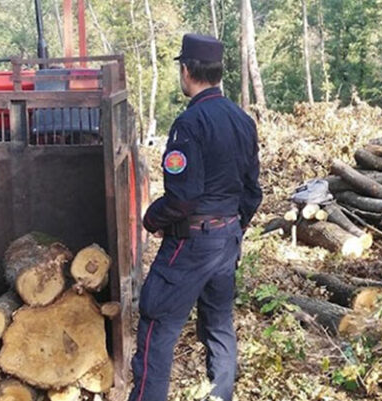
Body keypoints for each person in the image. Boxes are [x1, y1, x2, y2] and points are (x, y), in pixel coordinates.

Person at [129, 33, 262, 401]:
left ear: (186, 71)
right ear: (218, 73)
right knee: (219, 327)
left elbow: (182, 199)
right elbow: (252, 191)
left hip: (192, 244)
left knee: (157, 324)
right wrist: (234, 228)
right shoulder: (242, 120)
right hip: (227, 240)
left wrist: (151, 219)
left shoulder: (189, 124)